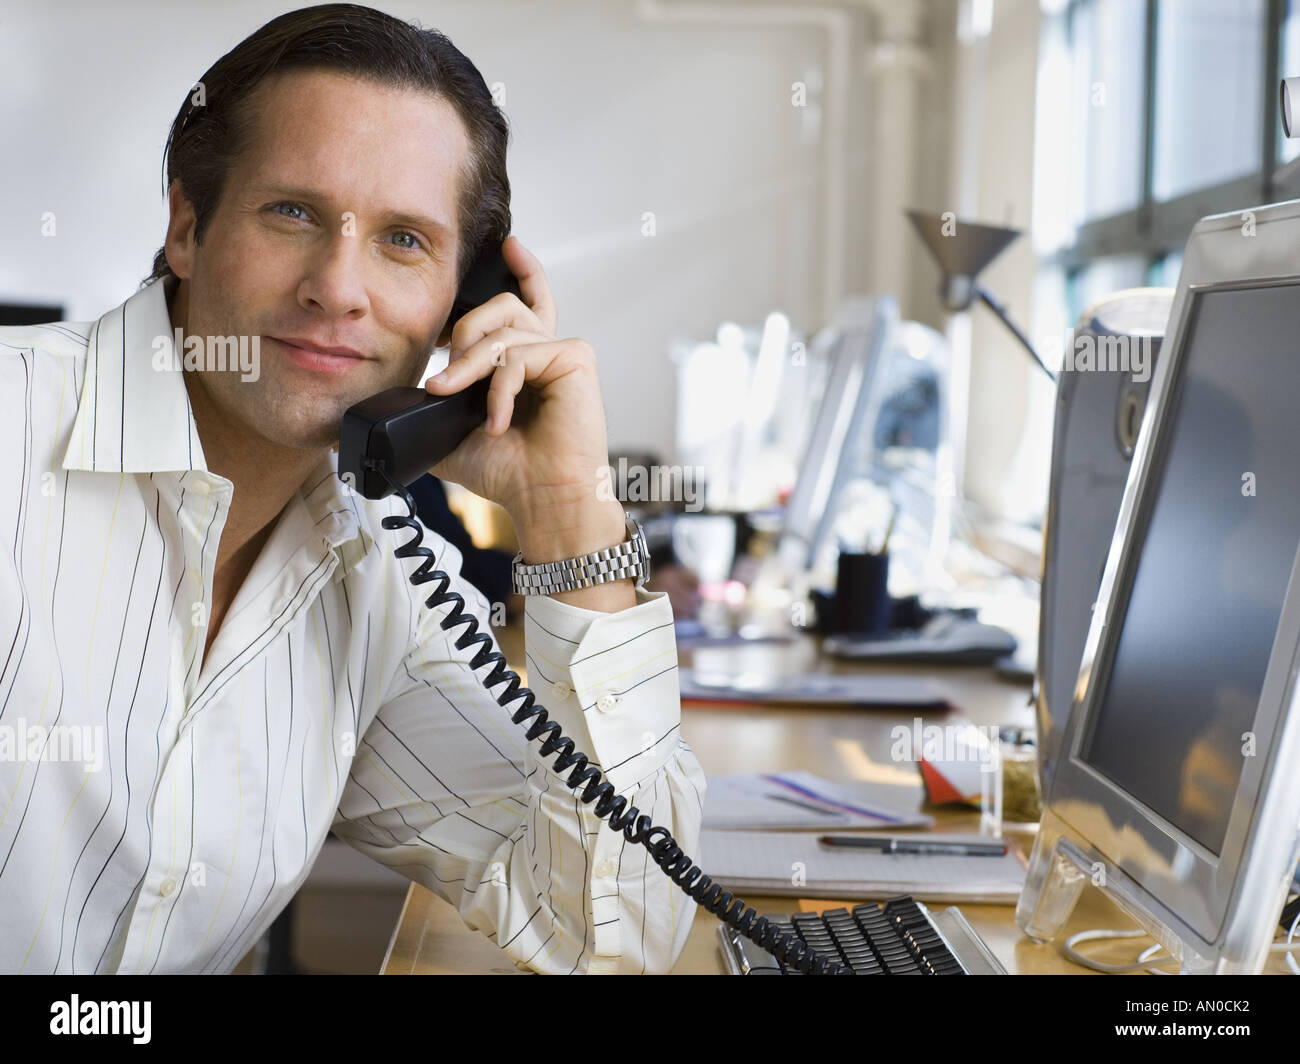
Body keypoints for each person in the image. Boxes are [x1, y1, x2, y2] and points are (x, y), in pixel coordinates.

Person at [0, 3, 704, 975]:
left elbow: (607, 931)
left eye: (404, 240)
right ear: (188, 226)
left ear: (465, 304)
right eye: (292, 211)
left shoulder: (384, 579)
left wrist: (564, 508)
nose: (339, 286)